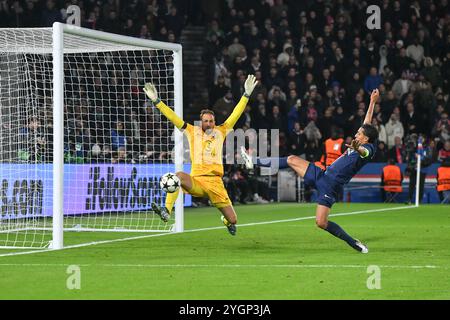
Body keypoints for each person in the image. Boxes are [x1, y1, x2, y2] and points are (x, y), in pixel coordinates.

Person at [241, 89, 381, 253]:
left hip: (332, 186)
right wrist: (372, 101)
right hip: (322, 175)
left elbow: (365, 152)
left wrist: (359, 150)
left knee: (321, 222)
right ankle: (252, 161)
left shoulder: (369, 149)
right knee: (291, 159)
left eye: (359, 133)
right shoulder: (365, 135)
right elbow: (367, 122)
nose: (356, 134)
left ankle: (353, 242)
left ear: (366, 138)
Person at [143, 75, 258, 236]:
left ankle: (225, 221)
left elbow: (235, 114)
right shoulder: (191, 131)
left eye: (211, 121)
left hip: (215, 183)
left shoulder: (221, 131)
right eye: (206, 121)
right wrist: (157, 102)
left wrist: (246, 95)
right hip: (197, 180)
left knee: (233, 220)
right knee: (178, 176)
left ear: (214, 121)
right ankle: (166, 211)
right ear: (201, 121)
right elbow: (173, 118)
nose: (209, 123)